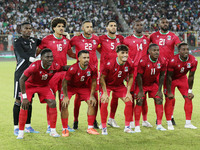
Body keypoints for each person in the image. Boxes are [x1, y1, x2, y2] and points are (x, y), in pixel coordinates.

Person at [17, 48, 69, 139]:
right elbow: (22, 79)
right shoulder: (34, 66)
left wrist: (76, 66)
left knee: (53, 103)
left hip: (44, 86)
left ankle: (52, 131)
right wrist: (24, 97)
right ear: (41, 58)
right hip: (30, 85)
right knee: (25, 105)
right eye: (47, 57)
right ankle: (21, 132)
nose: (50, 59)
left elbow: (63, 68)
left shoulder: (55, 66)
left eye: (51, 57)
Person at [37, 17, 76, 133]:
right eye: (59, 26)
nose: (61, 28)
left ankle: (65, 125)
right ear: (54, 28)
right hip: (51, 75)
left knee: (64, 100)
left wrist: (81, 55)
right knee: (51, 100)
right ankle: (50, 125)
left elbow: (71, 54)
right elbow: (38, 52)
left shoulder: (66, 40)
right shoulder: (47, 39)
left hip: (64, 74)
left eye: (63, 26)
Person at [150, 17, 181, 125]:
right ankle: (158, 118)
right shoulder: (153, 36)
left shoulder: (173, 36)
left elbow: (180, 47)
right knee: (157, 95)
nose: (165, 24)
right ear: (159, 24)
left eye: (166, 22)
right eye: (163, 22)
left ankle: (170, 116)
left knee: (170, 94)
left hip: (170, 71)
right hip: (157, 69)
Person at [70, 20, 100, 129]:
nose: (89, 28)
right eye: (87, 27)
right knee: (78, 98)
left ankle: (94, 120)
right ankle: (75, 120)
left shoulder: (97, 39)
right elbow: (67, 47)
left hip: (93, 72)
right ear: (82, 28)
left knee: (95, 98)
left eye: (91, 26)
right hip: (80, 72)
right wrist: (75, 57)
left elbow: (101, 49)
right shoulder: (76, 38)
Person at [61, 50, 99, 135]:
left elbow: (93, 82)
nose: (86, 60)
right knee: (64, 104)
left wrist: (92, 95)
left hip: (82, 87)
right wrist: (66, 96)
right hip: (70, 87)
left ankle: (90, 128)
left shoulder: (92, 68)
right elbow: (64, 82)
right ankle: (65, 129)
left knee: (92, 102)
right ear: (79, 59)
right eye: (84, 58)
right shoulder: (73, 68)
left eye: (88, 58)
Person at [100, 45, 134, 135]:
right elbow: (102, 78)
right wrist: (104, 92)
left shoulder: (129, 64)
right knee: (104, 101)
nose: (125, 55)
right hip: (107, 85)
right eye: (122, 53)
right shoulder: (109, 63)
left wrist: (128, 91)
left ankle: (127, 127)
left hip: (119, 85)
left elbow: (131, 77)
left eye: (126, 53)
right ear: (117, 54)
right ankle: (103, 127)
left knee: (129, 101)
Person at [123, 19, 152, 128]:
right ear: (133, 27)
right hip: (132, 72)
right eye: (137, 25)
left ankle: (144, 120)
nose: (139, 26)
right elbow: (125, 56)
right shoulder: (127, 40)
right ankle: (130, 121)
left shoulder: (147, 39)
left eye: (141, 25)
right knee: (130, 97)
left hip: (144, 72)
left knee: (142, 96)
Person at [13, 22, 40, 136]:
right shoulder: (17, 42)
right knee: (19, 101)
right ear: (21, 30)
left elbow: (47, 42)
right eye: (26, 29)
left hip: (32, 74)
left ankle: (28, 126)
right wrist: (33, 59)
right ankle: (16, 127)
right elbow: (21, 55)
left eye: (30, 28)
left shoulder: (34, 40)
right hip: (20, 74)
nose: (28, 30)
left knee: (29, 101)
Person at [165, 43, 198, 130]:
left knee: (188, 98)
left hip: (182, 78)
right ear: (179, 51)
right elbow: (168, 76)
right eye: (183, 49)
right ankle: (169, 123)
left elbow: (191, 76)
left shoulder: (193, 60)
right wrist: (169, 91)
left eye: (187, 49)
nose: (186, 51)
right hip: (171, 79)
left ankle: (188, 123)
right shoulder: (172, 60)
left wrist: (190, 91)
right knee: (170, 99)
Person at [134, 44, 166, 132]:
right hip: (142, 84)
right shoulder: (143, 60)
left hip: (153, 84)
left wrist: (159, 90)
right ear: (149, 52)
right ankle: (137, 126)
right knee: (140, 100)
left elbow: (162, 75)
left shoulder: (162, 60)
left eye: (157, 50)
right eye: (154, 50)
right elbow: (139, 76)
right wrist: (140, 91)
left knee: (159, 99)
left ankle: (159, 124)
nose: (156, 52)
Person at [98, 20, 124, 128]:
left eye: (115, 25)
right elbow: (97, 48)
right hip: (105, 72)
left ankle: (111, 119)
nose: (113, 27)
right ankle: (102, 121)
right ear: (107, 28)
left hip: (117, 71)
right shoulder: (101, 38)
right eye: (111, 26)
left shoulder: (120, 39)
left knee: (116, 97)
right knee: (104, 98)